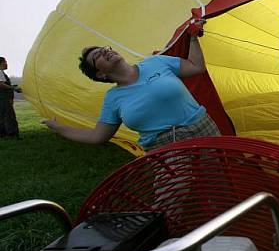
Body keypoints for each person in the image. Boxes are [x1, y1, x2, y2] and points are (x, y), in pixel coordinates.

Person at [42, 19, 220, 152]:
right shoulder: (113, 99)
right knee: (174, 197)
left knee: (222, 185)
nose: (105, 51)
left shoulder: (156, 62)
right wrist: (59, 128)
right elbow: (97, 136)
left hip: (203, 130)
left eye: (104, 49)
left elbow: (196, 67)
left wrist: (193, 38)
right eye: (98, 56)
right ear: (100, 74)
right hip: (164, 147)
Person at [0, 57, 21, 140]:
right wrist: (13, 88)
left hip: (3, 98)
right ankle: (12, 134)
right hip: (3, 99)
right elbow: (1, 84)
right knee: (10, 116)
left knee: (2, 116)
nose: (6, 64)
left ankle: (3, 134)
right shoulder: (0, 72)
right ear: (1, 63)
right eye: (5, 62)